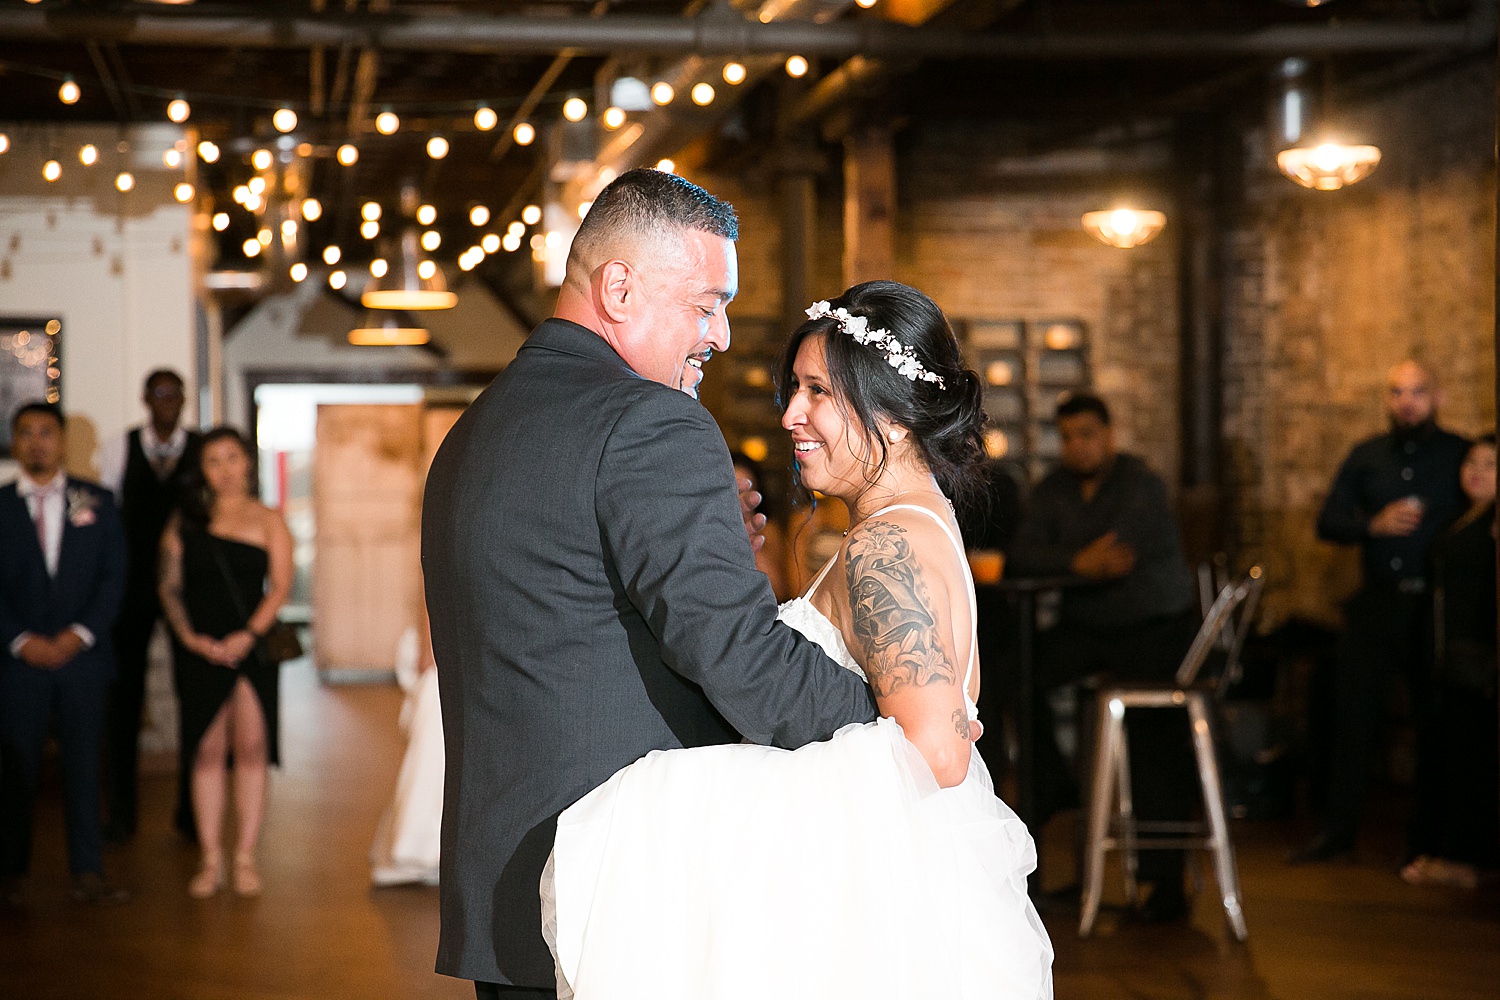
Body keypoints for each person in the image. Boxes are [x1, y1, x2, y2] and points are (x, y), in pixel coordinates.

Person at [421, 168, 877, 998]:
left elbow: (569, 608)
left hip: (508, 895)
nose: (724, 335)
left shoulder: (475, 429)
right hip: (617, 889)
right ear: (619, 288)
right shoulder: (652, 423)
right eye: (706, 304)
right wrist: (887, 711)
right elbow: (738, 656)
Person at [541, 281, 1053, 999]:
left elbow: (933, 753)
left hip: (885, 903)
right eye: (794, 389)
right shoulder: (914, 521)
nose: (790, 415)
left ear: (896, 416)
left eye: (817, 392)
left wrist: (687, 795)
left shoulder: (885, 545)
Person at [1006, 390, 1199, 921]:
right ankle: (1050, 785)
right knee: (1015, 674)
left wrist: (1074, 560)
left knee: (1153, 739)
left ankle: (1165, 884)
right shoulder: (1053, 490)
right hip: (1088, 626)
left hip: (1152, 629)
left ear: (1109, 435)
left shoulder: (1141, 484)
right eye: (1067, 437)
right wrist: (1076, 559)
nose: (1077, 446)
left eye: (1087, 434)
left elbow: (1116, 559)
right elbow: (1024, 556)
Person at [1293, 360, 1469, 863]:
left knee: (1435, 720)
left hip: (1433, 605)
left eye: (1416, 392)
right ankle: (1337, 830)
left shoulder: (1458, 455)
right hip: (1378, 600)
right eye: (1396, 392)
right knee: (1349, 713)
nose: (1406, 401)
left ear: (1437, 396)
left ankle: (1430, 841)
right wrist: (1372, 524)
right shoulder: (1367, 455)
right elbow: (1328, 521)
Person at [0, 402, 129, 906]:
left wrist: (78, 634)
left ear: (62, 441)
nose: (37, 442)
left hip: (84, 659)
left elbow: (113, 577)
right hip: (17, 661)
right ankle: (11, 874)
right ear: (14, 443)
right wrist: (21, 641)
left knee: (83, 765)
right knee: (15, 769)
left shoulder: (96, 500)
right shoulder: (2, 505)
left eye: (46, 433)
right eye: (26, 433)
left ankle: (89, 871)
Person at [158, 427, 293, 898]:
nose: (225, 469)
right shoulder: (185, 521)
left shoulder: (269, 519)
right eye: (213, 461)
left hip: (250, 648)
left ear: (248, 463)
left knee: (252, 749)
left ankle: (245, 858)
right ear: (202, 470)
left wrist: (248, 634)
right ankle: (210, 858)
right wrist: (192, 640)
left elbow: (280, 586)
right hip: (201, 649)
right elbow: (169, 588)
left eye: (232, 458)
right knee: (207, 750)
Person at [98, 368, 202, 843]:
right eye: (160, 394)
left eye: (176, 395)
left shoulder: (200, 450)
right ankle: (122, 813)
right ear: (145, 399)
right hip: (133, 589)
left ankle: (191, 813)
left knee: (193, 696)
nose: (169, 402)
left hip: (186, 589)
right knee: (126, 701)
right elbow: (107, 517)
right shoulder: (121, 447)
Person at [1402, 434, 1496, 888]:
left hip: (1477, 660)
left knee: (1472, 761)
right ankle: (1445, 849)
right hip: (1449, 656)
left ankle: (1468, 862)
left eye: (1490, 464)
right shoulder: (1463, 517)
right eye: (1472, 462)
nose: (1477, 471)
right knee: (1449, 756)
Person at [729, 450, 794, 600]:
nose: (739, 501)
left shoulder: (767, 530)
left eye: (746, 493)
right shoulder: (705, 532)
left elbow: (780, 591)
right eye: (734, 492)